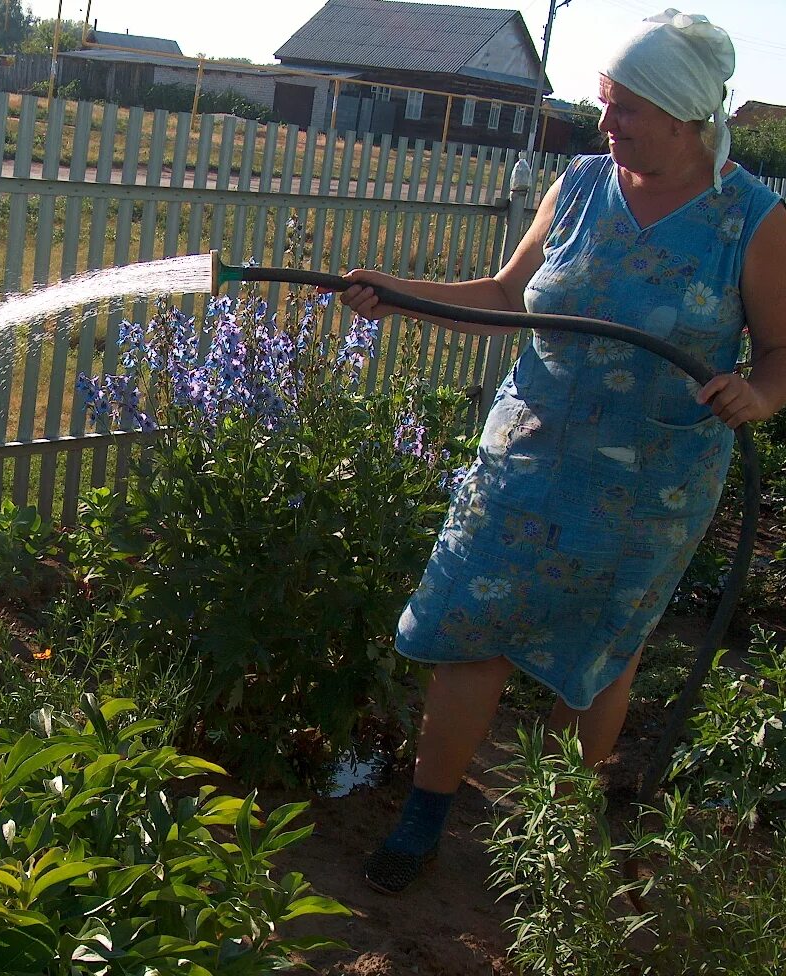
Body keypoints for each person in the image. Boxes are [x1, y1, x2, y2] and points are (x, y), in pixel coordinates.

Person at [339, 9, 786, 895]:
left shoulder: (754, 221)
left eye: (625, 108)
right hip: (527, 459)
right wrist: (397, 293)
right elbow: (506, 294)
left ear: (688, 115)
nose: (606, 123)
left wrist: (760, 394)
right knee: (473, 633)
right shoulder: (580, 185)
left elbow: (782, 351)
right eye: (605, 103)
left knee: (597, 659)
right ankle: (426, 816)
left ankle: (550, 830)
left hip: (650, 486)